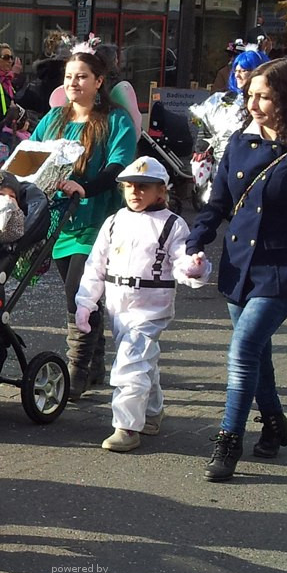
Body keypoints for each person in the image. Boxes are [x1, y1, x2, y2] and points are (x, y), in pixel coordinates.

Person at [183, 57, 287, 483]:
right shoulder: (238, 143)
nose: (253, 103)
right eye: (250, 94)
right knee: (258, 351)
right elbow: (217, 204)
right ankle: (274, 421)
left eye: (264, 96)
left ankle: (228, 439)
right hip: (239, 265)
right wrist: (195, 242)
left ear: (286, 97)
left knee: (244, 347)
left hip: (283, 269)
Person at [74, 156, 207, 452]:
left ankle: (126, 426)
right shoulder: (114, 221)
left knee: (130, 362)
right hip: (117, 303)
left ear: (161, 191)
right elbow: (96, 265)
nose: (135, 192)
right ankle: (152, 410)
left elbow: (182, 259)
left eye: (144, 187)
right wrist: (86, 302)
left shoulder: (173, 224)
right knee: (142, 359)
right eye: (130, 186)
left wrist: (193, 268)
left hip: (151, 306)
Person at [30, 48, 138, 401]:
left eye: (81, 76)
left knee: (78, 294)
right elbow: (34, 156)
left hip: (96, 221)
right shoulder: (54, 119)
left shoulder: (115, 120)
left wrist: (84, 186)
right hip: (58, 220)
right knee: (84, 297)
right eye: (68, 77)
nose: (73, 83)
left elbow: (117, 168)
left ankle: (76, 369)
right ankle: (95, 363)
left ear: (98, 81)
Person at [189, 49, 269, 207]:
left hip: (257, 173)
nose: (238, 75)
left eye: (243, 71)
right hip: (223, 173)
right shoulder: (220, 101)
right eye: (236, 70)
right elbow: (204, 134)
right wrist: (200, 159)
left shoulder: (272, 102)